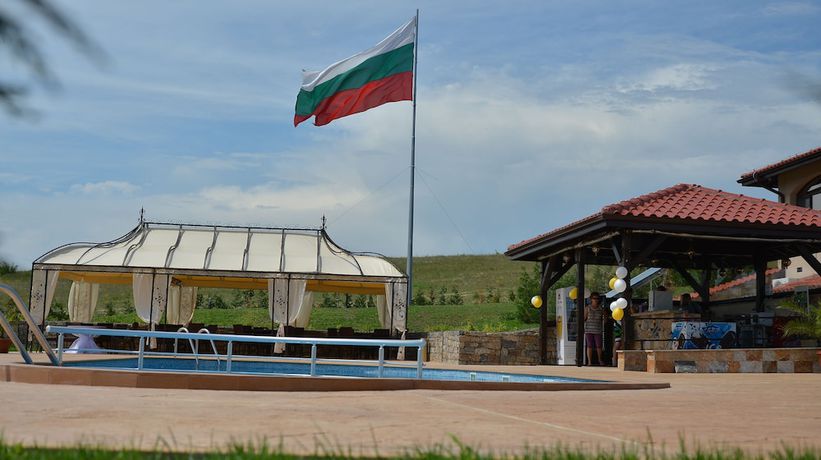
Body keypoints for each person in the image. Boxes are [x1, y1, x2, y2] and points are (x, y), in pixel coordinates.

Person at [583, 292, 604, 366]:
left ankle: (600, 360)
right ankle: (589, 361)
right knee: (589, 346)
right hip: (589, 329)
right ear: (591, 299)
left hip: (598, 330)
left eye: (597, 298)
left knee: (599, 346)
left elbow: (603, 319)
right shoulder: (587, 308)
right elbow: (584, 318)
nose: (596, 300)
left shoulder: (601, 309)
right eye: (594, 298)